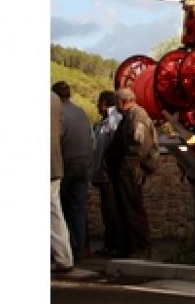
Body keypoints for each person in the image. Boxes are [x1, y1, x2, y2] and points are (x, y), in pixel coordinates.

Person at [105, 86, 155, 259]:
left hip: (131, 171)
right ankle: (129, 246)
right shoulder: (130, 117)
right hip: (127, 169)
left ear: (121, 102)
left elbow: (137, 147)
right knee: (126, 208)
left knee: (132, 208)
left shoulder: (137, 117)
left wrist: (125, 169)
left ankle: (141, 247)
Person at [52, 81, 95, 261]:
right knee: (78, 208)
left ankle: (64, 251)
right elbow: (92, 139)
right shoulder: (81, 112)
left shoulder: (59, 114)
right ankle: (81, 248)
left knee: (59, 210)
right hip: (84, 164)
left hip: (65, 164)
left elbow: (56, 140)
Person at [90, 90, 122, 256]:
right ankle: (109, 244)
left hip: (109, 174)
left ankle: (114, 245)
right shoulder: (103, 122)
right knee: (107, 211)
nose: (96, 106)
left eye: (98, 102)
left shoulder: (113, 121)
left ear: (103, 103)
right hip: (103, 174)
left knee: (111, 211)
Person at [51, 90, 76, 274]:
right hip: (55, 163)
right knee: (55, 213)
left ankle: (63, 257)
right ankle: (64, 257)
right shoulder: (54, 99)